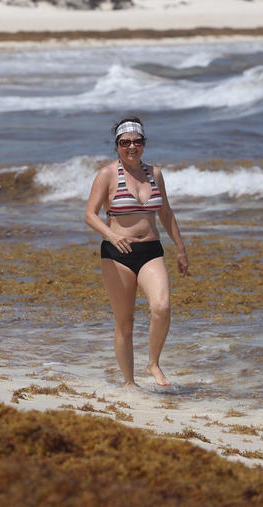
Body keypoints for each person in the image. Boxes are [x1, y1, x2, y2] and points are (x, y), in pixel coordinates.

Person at [84, 117, 188, 388]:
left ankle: (153, 362)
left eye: (137, 141)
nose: (132, 146)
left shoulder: (154, 173)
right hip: (117, 252)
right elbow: (89, 215)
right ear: (117, 145)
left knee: (162, 307)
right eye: (125, 142)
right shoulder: (107, 174)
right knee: (125, 323)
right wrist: (111, 234)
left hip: (151, 250)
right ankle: (129, 383)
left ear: (144, 144)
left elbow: (165, 212)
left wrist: (181, 249)